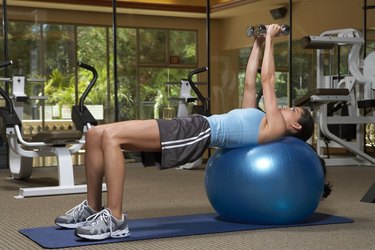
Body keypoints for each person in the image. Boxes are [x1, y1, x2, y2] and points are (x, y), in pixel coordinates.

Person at [54, 24, 315, 240]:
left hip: (199, 131)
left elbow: (267, 80)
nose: (285, 107)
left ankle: (116, 217)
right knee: (95, 134)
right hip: (194, 124)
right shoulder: (260, 118)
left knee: (111, 137)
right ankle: (92, 207)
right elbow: (250, 82)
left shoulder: (276, 127)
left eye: (293, 109)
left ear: (295, 126)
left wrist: (271, 38)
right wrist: (257, 44)